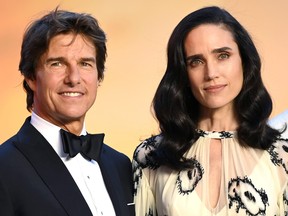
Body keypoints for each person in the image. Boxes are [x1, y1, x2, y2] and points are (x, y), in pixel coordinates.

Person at [132, 6, 288, 216]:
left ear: (244, 60)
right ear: (183, 73)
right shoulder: (150, 156)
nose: (211, 73)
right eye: (196, 61)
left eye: (222, 56)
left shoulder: (281, 156)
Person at [0, 8, 135, 216]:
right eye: (57, 63)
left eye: (85, 63)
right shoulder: (4, 167)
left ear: (98, 76)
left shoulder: (120, 165)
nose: (74, 78)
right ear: (31, 77)